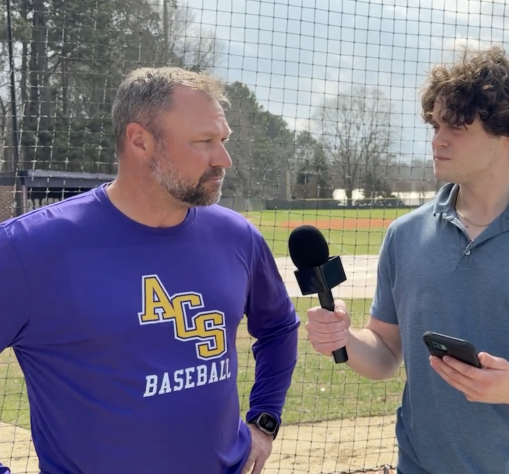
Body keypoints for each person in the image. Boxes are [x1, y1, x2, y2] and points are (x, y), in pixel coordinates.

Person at [305, 46, 509, 474]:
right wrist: (343, 337)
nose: (438, 139)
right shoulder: (404, 235)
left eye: (456, 126)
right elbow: (385, 353)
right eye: (436, 124)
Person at [0, 67, 299, 474]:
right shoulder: (28, 247)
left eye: (223, 140)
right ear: (140, 140)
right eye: (203, 142)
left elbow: (279, 326)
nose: (223, 159)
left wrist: (264, 419)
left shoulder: (237, 236)